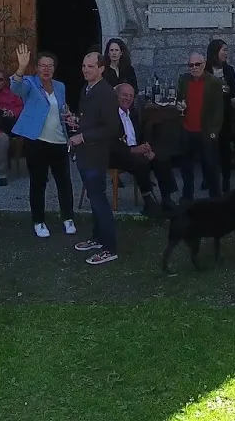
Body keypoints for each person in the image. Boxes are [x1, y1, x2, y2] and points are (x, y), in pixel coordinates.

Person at [12, 44, 76, 239]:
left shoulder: (60, 86)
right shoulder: (29, 84)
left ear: (54, 68)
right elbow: (16, 87)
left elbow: (62, 107)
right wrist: (21, 67)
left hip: (58, 141)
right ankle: (39, 221)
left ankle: (68, 218)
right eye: (42, 66)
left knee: (64, 183)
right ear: (37, 68)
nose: (46, 69)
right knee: (38, 183)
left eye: (50, 66)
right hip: (37, 142)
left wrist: (68, 115)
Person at [69, 52, 121, 265]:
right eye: (83, 65)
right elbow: (91, 119)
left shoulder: (106, 93)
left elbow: (112, 127)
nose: (86, 69)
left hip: (96, 155)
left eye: (90, 66)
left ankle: (110, 248)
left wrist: (84, 136)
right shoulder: (87, 89)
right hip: (84, 154)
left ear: (101, 68)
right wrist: (76, 123)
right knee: (94, 197)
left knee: (99, 200)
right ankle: (98, 238)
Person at [110, 83, 178, 215]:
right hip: (117, 154)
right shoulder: (110, 115)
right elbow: (110, 142)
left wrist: (147, 148)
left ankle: (166, 198)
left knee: (161, 157)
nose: (128, 99)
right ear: (116, 96)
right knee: (140, 161)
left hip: (135, 150)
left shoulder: (133, 113)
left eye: (131, 96)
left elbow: (141, 134)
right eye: (124, 95)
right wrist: (132, 150)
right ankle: (148, 201)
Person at [178, 50, 226, 203]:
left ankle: (215, 196)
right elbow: (179, 99)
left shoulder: (214, 82)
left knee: (210, 165)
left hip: (205, 131)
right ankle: (187, 196)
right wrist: (179, 106)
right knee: (186, 166)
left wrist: (214, 132)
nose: (194, 67)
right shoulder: (184, 80)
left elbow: (218, 110)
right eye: (191, 65)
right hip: (187, 128)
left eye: (197, 64)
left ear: (204, 64)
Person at [205, 39, 235, 193]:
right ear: (215, 52)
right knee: (208, 148)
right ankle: (209, 178)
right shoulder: (205, 68)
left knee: (225, 148)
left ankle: (225, 179)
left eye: (227, 50)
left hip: (225, 114)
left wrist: (224, 90)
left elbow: (234, 91)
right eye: (224, 50)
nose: (226, 53)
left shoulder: (229, 69)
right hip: (208, 114)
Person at [0, 66, 26, 186]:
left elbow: (21, 107)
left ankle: (2, 174)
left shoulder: (11, 93)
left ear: (5, 82)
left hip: (3, 127)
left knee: (3, 138)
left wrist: (11, 112)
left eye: (1, 79)